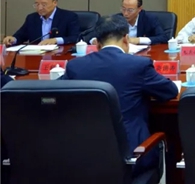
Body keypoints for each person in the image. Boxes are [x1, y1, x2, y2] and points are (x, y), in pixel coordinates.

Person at [61, 15, 178, 176]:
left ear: (97, 43)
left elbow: (55, 92)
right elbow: (170, 91)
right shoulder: (138, 65)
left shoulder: (75, 66)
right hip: (133, 155)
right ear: (126, 39)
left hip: (84, 155)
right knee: (172, 145)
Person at [2, 0, 79, 46]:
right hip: (35, 55)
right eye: (37, 4)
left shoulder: (69, 17)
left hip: (59, 55)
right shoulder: (31, 18)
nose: (40, 8)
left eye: (44, 4)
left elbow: (75, 38)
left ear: (55, 3)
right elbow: (21, 35)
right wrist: (13, 39)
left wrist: (55, 40)